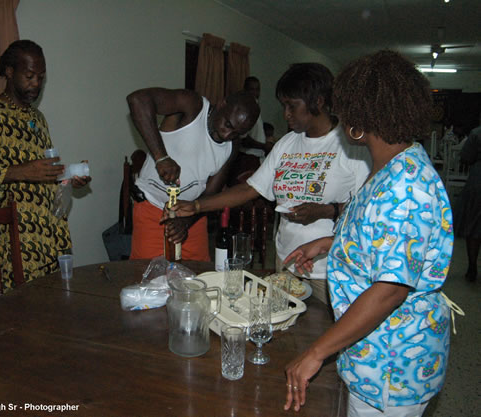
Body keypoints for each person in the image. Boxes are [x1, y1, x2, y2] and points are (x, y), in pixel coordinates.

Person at [283, 51, 454, 416]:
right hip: (371, 352)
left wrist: (316, 353)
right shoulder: (393, 165)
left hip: (392, 363)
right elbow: (380, 237)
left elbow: (390, 289)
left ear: (360, 121)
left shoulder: (407, 188)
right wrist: (331, 243)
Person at [166, 63, 371, 303]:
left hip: (328, 272)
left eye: (292, 106)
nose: (286, 114)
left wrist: (327, 211)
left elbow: (366, 211)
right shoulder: (287, 144)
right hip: (286, 263)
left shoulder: (351, 147)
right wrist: (197, 206)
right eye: (284, 106)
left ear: (318, 102)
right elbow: (249, 188)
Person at [0, 40, 91, 287]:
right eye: (29, 76)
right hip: (16, 248)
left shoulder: (37, 118)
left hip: (50, 240)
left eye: (41, 77)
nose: (36, 84)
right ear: (9, 71)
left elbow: (41, 175)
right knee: (23, 319)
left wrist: (68, 177)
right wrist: (17, 172)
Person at [126, 88, 259, 261]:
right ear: (222, 103)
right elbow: (138, 100)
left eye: (237, 133)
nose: (228, 135)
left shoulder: (232, 146)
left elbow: (210, 192)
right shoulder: (193, 106)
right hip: (153, 210)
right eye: (228, 125)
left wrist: (185, 222)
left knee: (196, 280)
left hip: (192, 217)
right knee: (147, 278)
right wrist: (161, 158)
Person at [456, 114, 481, 281]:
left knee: (474, 226)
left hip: (478, 181)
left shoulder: (477, 133)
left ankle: (472, 266)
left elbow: (466, 157)